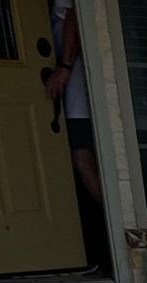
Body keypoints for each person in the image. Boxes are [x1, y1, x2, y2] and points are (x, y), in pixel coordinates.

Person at [44, 0, 102, 205]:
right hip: (72, 82)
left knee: (81, 155)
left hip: (75, 81)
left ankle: (120, 223)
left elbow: (73, 13)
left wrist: (65, 66)